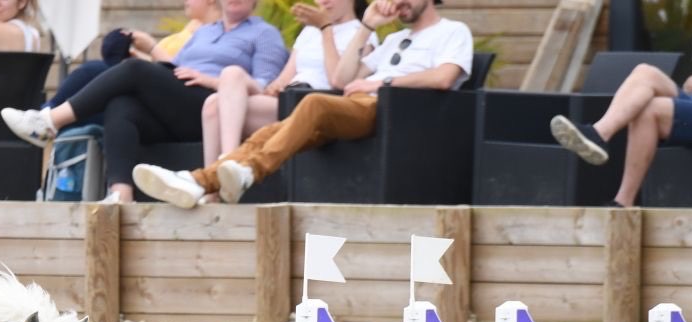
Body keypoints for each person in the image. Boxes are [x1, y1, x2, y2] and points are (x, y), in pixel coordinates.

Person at [132, 0, 470, 207]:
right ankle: (198, 182)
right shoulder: (394, 38)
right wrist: (367, 27)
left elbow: (443, 77)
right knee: (270, 133)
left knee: (314, 105)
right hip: (359, 104)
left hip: (397, 111)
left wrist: (382, 81)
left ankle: (248, 171)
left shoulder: (453, 31)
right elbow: (342, 77)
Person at [0, 0, 287, 203]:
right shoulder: (204, 32)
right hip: (180, 99)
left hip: (214, 105)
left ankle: (49, 122)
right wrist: (147, 56)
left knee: (131, 72)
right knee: (122, 103)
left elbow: (262, 89)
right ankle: (121, 193)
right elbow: (174, 69)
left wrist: (211, 80)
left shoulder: (263, 34)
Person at [548, 0, 692, 208]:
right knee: (646, 72)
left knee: (651, 109)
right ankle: (599, 133)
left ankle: (623, 201)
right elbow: (689, 84)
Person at [201, 0, 367, 173]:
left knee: (218, 105)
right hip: (288, 97)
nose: (323, 2)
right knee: (221, 90)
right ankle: (214, 180)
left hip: (315, 105)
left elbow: (337, 81)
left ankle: (223, 165)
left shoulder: (360, 33)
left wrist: (326, 30)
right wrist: (275, 87)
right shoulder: (310, 31)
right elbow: (285, 77)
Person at [47, 0, 220, 117]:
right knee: (110, 91)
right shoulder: (192, 31)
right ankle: (49, 114)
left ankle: (49, 113)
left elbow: (180, 71)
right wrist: (141, 56)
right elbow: (168, 67)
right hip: (157, 86)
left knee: (95, 69)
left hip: (180, 98)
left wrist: (152, 47)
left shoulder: (212, 36)